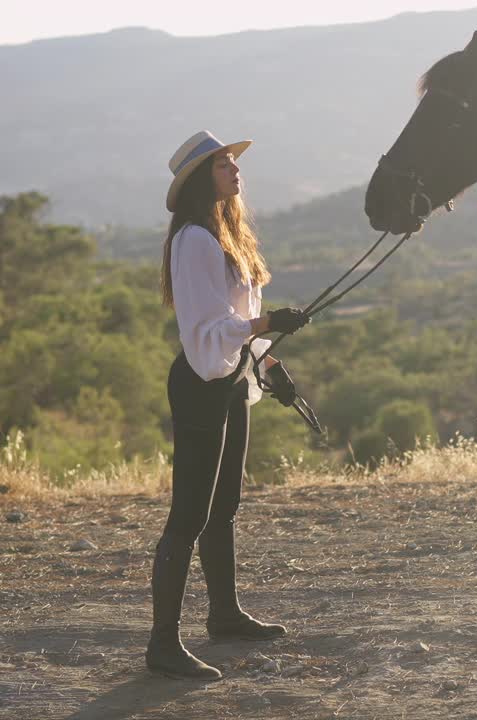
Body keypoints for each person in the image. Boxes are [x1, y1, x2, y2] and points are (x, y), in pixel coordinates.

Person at [149, 130, 310, 680]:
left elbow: (240, 323)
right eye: (222, 163)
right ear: (201, 179)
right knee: (188, 516)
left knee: (225, 508)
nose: (234, 168)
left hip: (233, 378)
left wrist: (271, 365)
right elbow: (207, 332)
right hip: (201, 383)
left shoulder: (228, 234)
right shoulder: (194, 239)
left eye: (232, 160)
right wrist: (268, 324)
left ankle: (223, 615)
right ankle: (162, 647)